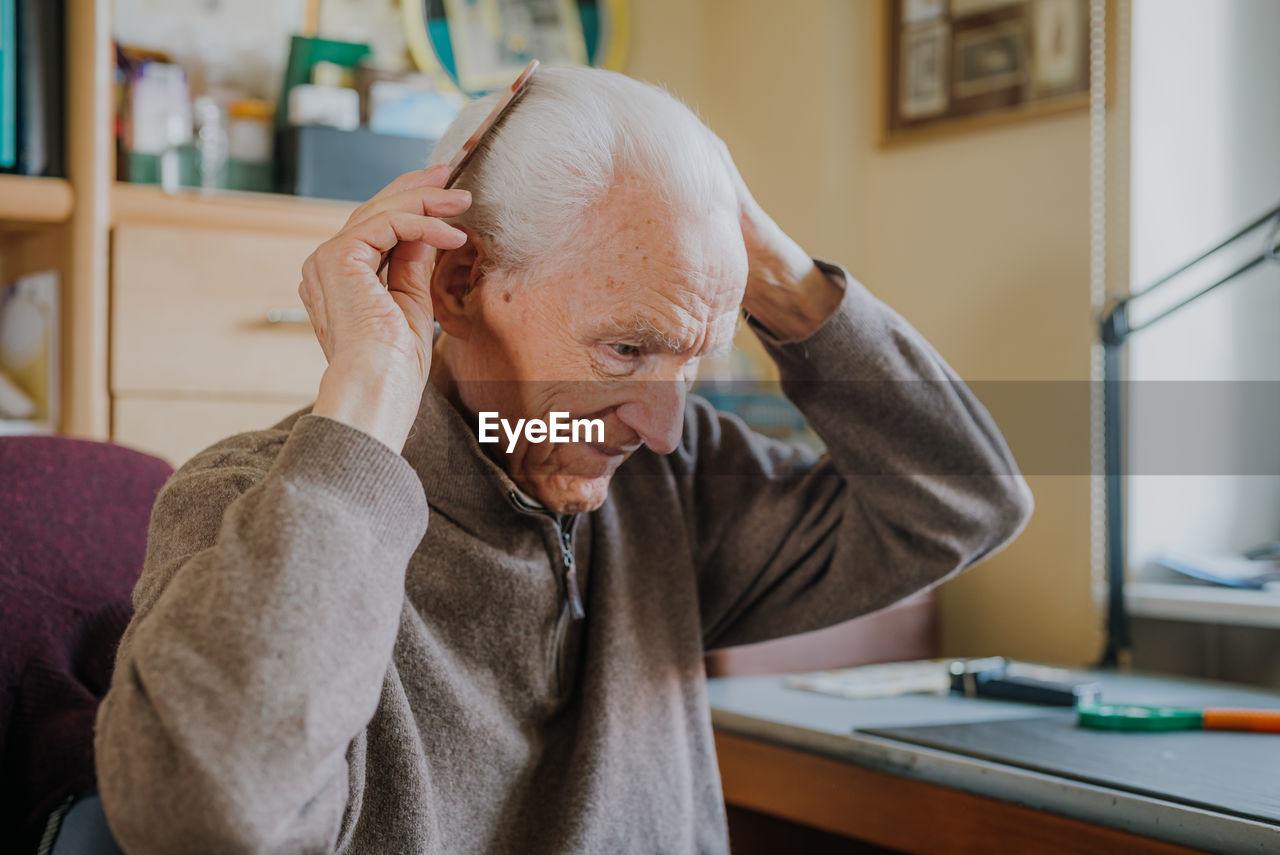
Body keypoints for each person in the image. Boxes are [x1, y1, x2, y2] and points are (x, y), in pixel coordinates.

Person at [94, 67, 1033, 854]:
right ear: (460, 284)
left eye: (690, 360)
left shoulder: (670, 477)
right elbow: (204, 816)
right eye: (626, 349)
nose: (664, 422)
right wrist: (371, 387)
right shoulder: (248, 500)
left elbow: (965, 499)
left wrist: (781, 276)